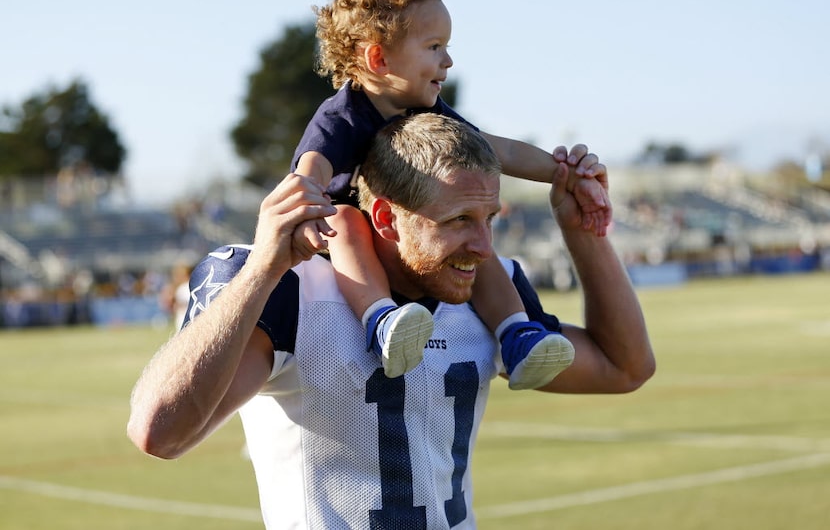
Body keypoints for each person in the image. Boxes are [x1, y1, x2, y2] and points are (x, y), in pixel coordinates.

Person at [128, 113, 655, 530]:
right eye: (458, 221)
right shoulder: (291, 288)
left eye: (489, 218)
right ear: (385, 217)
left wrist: (584, 231)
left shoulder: (486, 291)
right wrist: (263, 270)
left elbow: (623, 367)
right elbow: (160, 432)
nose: (483, 247)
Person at [292, 0, 612, 389]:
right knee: (346, 221)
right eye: (434, 46)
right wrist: (305, 203)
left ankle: (517, 334)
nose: (448, 60)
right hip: (350, 241)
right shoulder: (341, 116)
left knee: (478, 246)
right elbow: (311, 169)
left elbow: (503, 151)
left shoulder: (433, 115)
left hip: (413, 241)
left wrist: (565, 173)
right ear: (378, 58)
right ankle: (382, 321)